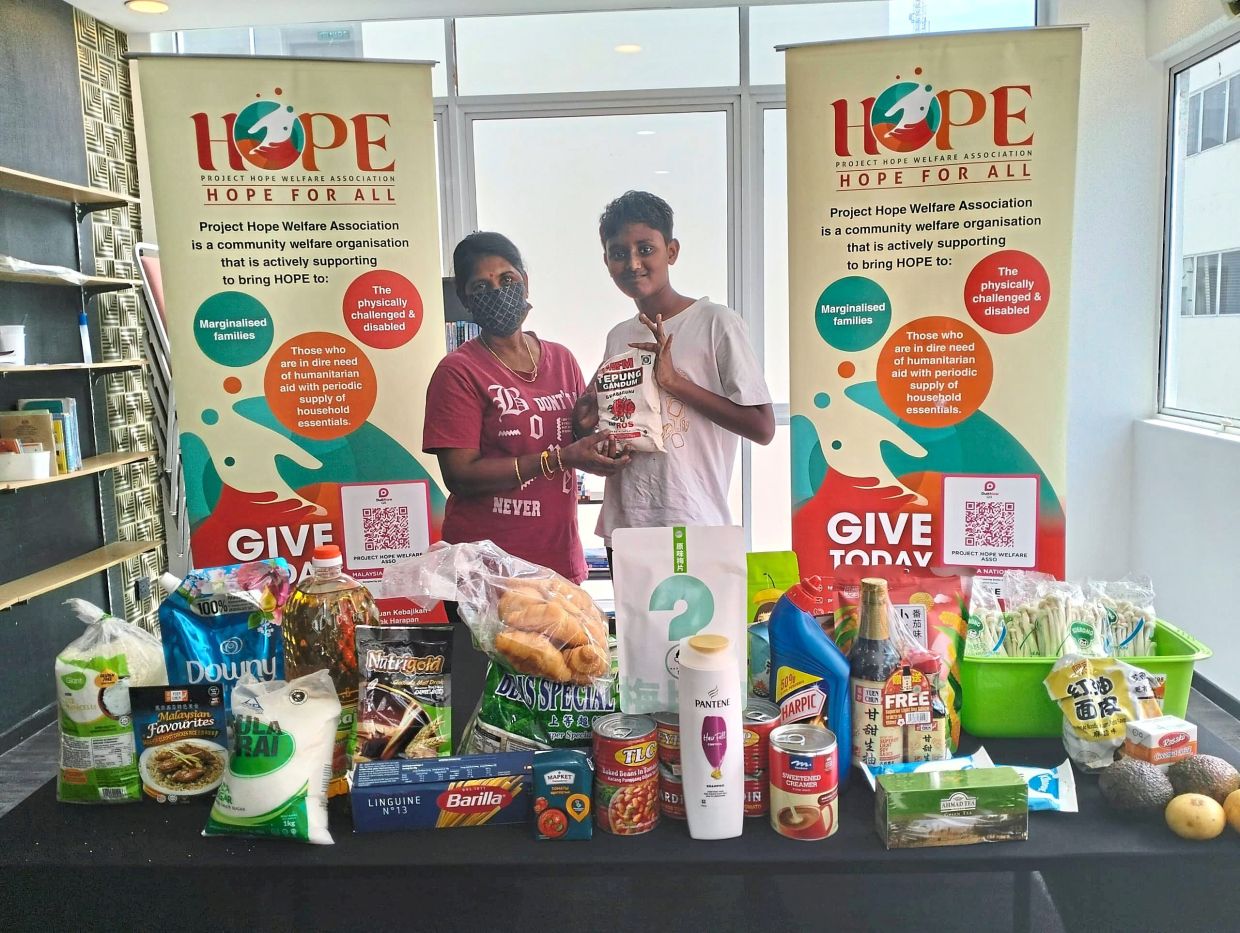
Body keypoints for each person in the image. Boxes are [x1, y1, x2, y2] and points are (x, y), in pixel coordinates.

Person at [425, 231, 628, 584]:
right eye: (481, 288)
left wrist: (585, 434)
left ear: (525, 282)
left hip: (557, 561)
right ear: (465, 299)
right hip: (485, 572)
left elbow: (570, 447)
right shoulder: (458, 371)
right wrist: (560, 458)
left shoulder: (562, 359)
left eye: (507, 279)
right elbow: (460, 474)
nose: (498, 292)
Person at [584, 191, 775, 550]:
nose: (633, 263)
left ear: (671, 251)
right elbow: (620, 427)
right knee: (631, 612)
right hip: (626, 526)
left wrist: (673, 382)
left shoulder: (715, 322)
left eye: (645, 248)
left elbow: (763, 428)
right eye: (619, 253)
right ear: (606, 260)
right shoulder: (619, 336)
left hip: (694, 521)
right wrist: (587, 422)